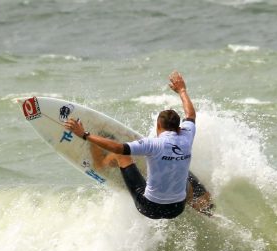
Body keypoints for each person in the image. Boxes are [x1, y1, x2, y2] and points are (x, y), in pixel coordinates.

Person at [64, 71, 211, 219]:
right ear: (178, 126)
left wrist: (84, 134)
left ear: (158, 126)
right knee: (185, 177)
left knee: (122, 154)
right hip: (177, 209)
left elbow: (118, 147)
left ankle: (101, 163)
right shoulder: (187, 135)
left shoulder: (153, 144)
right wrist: (182, 90)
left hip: (149, 207)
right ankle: (201, 207)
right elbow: (190, 114)